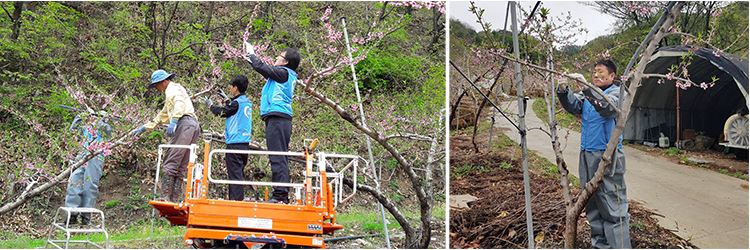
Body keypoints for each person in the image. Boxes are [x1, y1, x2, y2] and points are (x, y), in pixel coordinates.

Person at [557, 59, 632, 248]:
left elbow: (607, 109)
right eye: (594, 73)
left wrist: (587, 87)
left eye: (600, 72)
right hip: (587, 153)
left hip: (607, 156)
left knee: (613, 205)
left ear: (612, 76)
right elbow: (574, 106)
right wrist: (563, 90)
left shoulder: (616, 94)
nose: (596, 75)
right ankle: (600, 246)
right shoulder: (588, 95)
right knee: (593, 205)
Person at [130, 69, 201, 202]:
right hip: (194, 125)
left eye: (156, 85)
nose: (156, 88)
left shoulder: (172, 89)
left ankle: (165, 197)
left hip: (185, 123)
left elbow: (179, 103)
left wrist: (174, 121)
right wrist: (146, 127)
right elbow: (162, 114)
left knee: (171, 160)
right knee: (181, 165)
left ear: (163, 82)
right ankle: (174, 199)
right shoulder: (174, 91)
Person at [243, 41, 300, 204]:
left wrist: (252, 54)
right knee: (278, 155)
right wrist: (250, 58)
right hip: (277, 118)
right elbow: (263, 70)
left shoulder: (284, 73)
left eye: (279, 56)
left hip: (278, 118)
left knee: (278, 156)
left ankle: (280, 195)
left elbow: (263, 67)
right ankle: (281, 193)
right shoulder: (282, 74)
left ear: (286, 61)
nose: (276, 58)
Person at [200, 75, 253, 201]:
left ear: (236, 88)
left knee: (234, 174)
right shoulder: (246, 102)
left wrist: (211, 106)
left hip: (234, 143)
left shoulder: (236, 104)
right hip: (244, 144)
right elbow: (233, 108)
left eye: (231, 86)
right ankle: (236, 199)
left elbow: (223, 112)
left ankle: (236, 201)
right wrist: (227, 99)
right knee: (238, 172)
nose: (229, 88)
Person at [64, 113, 111, 225]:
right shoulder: (86, 127)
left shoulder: (106, 127)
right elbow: (73, 130)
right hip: (83, 154)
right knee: (74, 181)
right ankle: (72, 214)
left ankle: (86, 215)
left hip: (96, 156)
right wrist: (80, 117)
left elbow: (106, 132)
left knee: (90, 185)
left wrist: (99, 119)